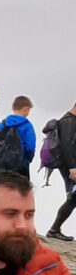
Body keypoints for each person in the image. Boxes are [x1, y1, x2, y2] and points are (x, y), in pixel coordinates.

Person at [47, 101, 76, 242]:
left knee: (73, 199)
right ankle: (54, 229)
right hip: (69, 167)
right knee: (72, 198)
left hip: (70, 166)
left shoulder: (70, 120)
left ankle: (54, 229)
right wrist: (73, 167)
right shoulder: (69, 121)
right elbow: (66, 145)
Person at [0, 95, 37, 179]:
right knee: (21, 190)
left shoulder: (2, 124)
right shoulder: (27, 125)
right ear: (25, 109)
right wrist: (28, 160)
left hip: (2, 165)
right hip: (20, 164)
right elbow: (30, 146)